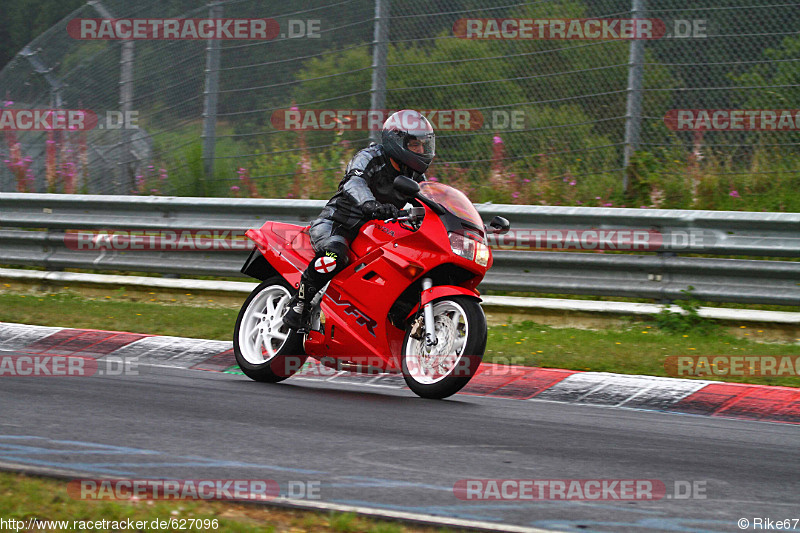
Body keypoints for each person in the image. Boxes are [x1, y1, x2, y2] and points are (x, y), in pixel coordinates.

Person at [282, 109, 436, 331]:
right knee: (334, 256)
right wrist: (369, 204)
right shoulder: (370, 157)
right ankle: (299, 303)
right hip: (339, 224)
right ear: (397, 141)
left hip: (377, 234)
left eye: (424, 145)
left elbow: (430, 200)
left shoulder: (415, 176)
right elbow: (353, 182)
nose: (421, 151)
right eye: (415, 145)